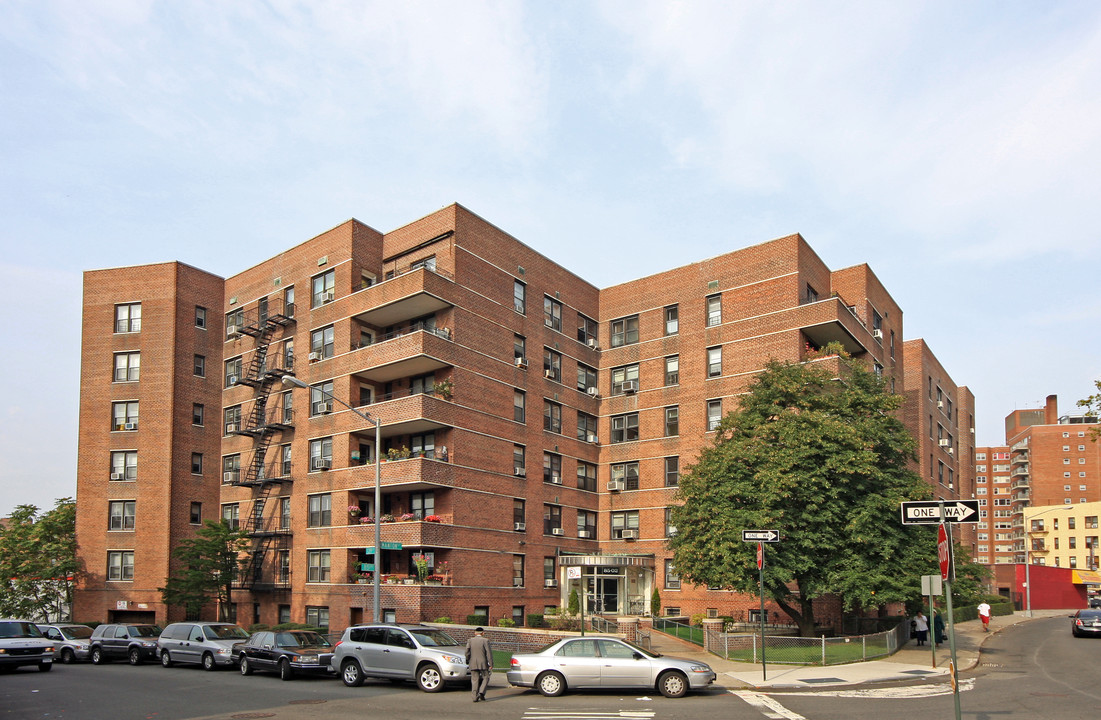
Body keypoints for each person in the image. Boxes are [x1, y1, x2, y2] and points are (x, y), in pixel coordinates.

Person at [465, 627, 493, 702]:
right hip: (483, 662)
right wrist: (491, 663)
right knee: (486, 677)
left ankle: (474, 696)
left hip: (473, 662)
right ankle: (481, 692)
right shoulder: (485, 641)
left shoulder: (470, 640)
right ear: (483, 633)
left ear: (475, 633)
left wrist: (467, 660)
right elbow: (488, 653)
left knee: (474, 679)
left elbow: (467, 652)